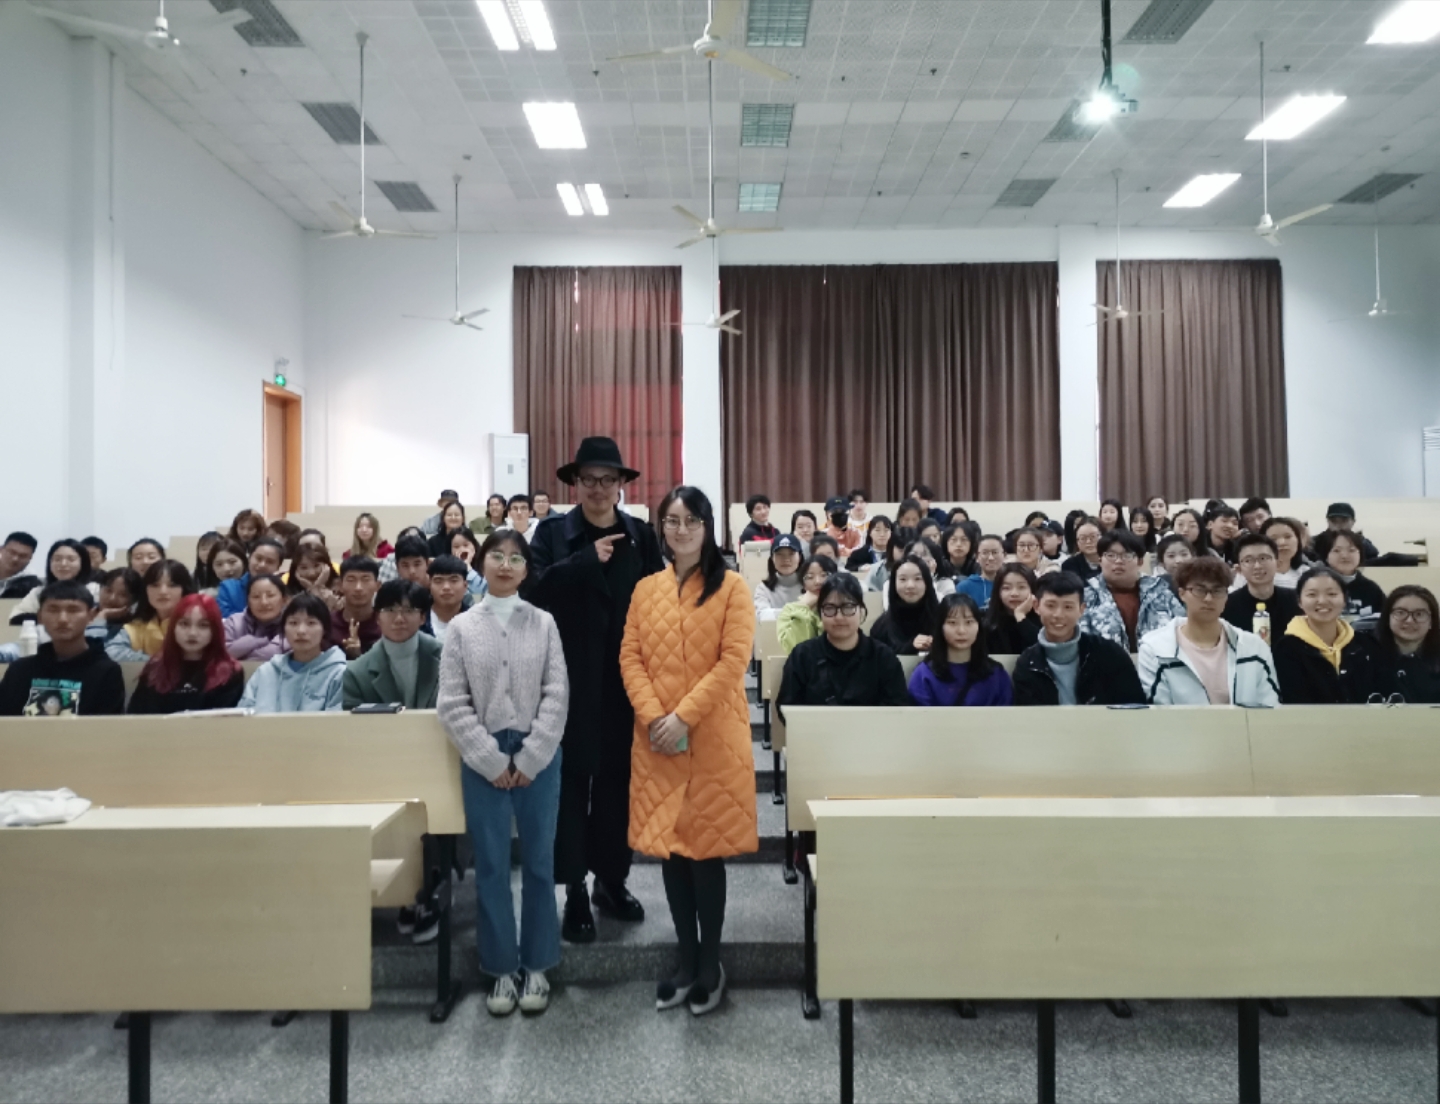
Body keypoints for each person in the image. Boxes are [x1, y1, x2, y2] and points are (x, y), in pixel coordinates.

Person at [620, 486, 756, 1016]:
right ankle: (685, 958)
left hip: (712, 735)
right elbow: (630, 657)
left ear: (707, 527)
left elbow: (732, 662)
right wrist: (656, 716)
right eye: (672, 521)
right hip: (658, 737)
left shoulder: (732, 587)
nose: (681, 530)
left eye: (691, 520)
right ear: (661, 528)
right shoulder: (645, 589)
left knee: (705, 850)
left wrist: (683, 717)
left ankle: (710, 963)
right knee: (672, 850)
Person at [524, 437, 665, 944]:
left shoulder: (640, 535)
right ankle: (576, 890)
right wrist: (583, 561)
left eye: (609, 480)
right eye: (589, 479)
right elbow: (531, 590)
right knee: (570, 789)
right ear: (575, 484)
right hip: (566, 680)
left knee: (617, 788)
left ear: (622, 485)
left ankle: (611, 880)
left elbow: (658, 602)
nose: (599, 488)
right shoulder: (551, 533)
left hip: (624, 681)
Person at [438, 528, 569, 1017]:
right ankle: (499, 969)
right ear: (481, 563)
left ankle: (537, 964)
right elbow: (451, 702)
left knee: (539, 863)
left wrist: (532, 756)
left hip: (539, 753)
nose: (506, 565)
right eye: (497, 555)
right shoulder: (462, 628)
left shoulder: (545, 623)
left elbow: (557, 693)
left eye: (516, 558)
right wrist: (490, 759)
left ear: (526, 568)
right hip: (483, 754)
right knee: (491, 866)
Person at [1137, 558, 1279, 707]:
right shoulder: (1155, 650)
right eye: (1199, 590)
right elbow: (1158, 713)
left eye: (1217, 591)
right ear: (1182, 594)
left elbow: (1270, 708)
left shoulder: (1254, 648)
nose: (1209, 598)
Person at [776, 574, 911, 715]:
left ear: (861, 610)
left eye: (848, 607)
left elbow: (897, 708)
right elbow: (787, 709)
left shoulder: (883, 657)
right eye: (830, 608)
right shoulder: (802, 655)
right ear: (820, 613)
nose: (839, 617)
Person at [1013, 572, 1145, 706]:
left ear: (1082, 609)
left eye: (1068, 607)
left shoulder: (1110, 653)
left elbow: (1134, 707)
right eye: (1051, 606)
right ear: (1036, 606)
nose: (1059, 615)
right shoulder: (1028, 664)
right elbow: (1029, 715)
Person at [0, 580, 125, 716]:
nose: (62, 619)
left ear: (91, 616)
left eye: (73, 610)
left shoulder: (106, 672)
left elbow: (106, 726)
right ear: (40, 616)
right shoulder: (19, 670)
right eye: (53, 610)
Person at [1272, 567, 1378, 704]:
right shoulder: (1286, 649)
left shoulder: (1365, 645)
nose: (1322, 601)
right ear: (1299, 601)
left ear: (1345, 599)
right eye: (1312, 595)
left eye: (1332, 594)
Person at [128, 594, 245, 714]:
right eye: (184, 624)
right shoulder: (154, 668)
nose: (192, 633)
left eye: (203, 625)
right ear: (173, 628)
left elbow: (226, 722)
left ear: (215, 631)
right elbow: (135, 717)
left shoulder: (230, 672)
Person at [238, 593, 347, 713]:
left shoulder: (338, 673)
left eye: (311, 623)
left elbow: (338, 721)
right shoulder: (266, 672)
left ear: (324, 629)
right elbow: (243, 715)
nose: (301, 631)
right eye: (293, 623)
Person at [344, 579, 443, 710]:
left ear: (422, 618)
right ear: (378, 618)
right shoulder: (356, 673)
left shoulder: (446, 658)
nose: (399, 619)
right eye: (390, 610)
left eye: (408, 610)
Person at [1078, 531, 1185, 652]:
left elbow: (1183, 630)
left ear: (1140, 561)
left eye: (1127, 555)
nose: (1118, 561)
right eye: (1111, 555)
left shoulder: (1160, 592)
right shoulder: (1087, 597)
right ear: (1100, 560)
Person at [908, 593, 1014, 706]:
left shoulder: (996, 674)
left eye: (969, 622)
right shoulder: (924, 674)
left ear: (979, 626)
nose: (961, 631)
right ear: (940, 627)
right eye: (952, 623)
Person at [106, 560, 196, 662]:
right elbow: (111, 652)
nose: (163, 591)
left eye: (172, 585)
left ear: (185, 589)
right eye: (155, 585)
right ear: (146, 590)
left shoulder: (198, 623)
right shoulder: (138, 625)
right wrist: (156, 663)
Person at [1223, 533, 1301, 643]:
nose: (1257, 566)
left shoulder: (1296, 600)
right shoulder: (1227, 604)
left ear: (1278, 563)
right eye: (1248, 560)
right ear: (1239, 568)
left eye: (1263, 558)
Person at [1372, 586, 1440, 704]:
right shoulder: (1366, 657)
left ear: (1431, 622)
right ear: (1387, 618)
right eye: (1400, 613)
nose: (1409, 620)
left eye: (1419, 614)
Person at [8, 539, 97, 624]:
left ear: (83, 563)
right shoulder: (39, 592)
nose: (63, 564)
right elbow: (15, 617)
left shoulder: (94, 590)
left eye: (71, 559)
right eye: (57, 559)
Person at [1314, 529, 1385, 632]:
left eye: (1351, 550)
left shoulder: (1371, 588)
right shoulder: (1315, 586)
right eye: (1337, 550)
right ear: (1326, 556)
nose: (1344, 555)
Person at [870, 556, 939, 655]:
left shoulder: (943, 619)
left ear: (927, 583)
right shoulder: (881, 627)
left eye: (917, 579)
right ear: (893, 584)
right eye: (903, 579)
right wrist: (910, 647)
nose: (910, 585)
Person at [224, 573, 290, 662]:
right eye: (256, 596)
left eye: (270, 595)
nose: (264, 602)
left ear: (284, 600)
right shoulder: (233, 622)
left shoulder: (294, 624)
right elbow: (221, 655)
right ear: (248, 601)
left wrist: (238, 654)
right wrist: (253, 641)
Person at [777, 554, 835, 653]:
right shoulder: (790, 610)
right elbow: (794, 647)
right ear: (803, 584)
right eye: (810, 577)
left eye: (824, 575)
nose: (818, 582)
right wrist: (803, 607)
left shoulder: (841, 607)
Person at [215, 538, 285, 618]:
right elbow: (226, 619)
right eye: (258, 558)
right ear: (249, 558)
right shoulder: (229, 588)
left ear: (278, 567)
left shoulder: (282, 592)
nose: (262, 565)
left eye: (270, 561)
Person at [985, 564, 1041, 654]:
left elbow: (1041, 649)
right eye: (1007, 588)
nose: (1014, 593)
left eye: (1021, 587)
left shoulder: (1043, 619)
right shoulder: (987, 622)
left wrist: (1020, 616)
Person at [332, 557, 382, 658]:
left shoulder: (385, 626)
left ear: (377, 585)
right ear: (340, 585)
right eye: (351, 580)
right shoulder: (327, 624)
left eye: (366, 580)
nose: (358, 588)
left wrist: (358, 656)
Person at [424, 554, 472, 644]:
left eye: (453, 580)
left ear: (465, 586)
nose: (446, 587)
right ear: (429, 585)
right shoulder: (416, 621)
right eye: (438, 581)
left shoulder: (477, 622)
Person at [752, 534, 804, 614]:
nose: (786, 559)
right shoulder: (763, 589)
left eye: (791, 554)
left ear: (800, 557)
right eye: (780, 554)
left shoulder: (809, 586)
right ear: (772, 558)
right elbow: (762, 616)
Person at [88, 567, 140, 643]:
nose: (112, 598)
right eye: (108, 590)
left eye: (122, 595)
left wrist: (102, 616)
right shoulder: (84, 612)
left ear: (133, 601)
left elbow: (94, 646)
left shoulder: (131, 629)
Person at [956, 534, 1007, 608]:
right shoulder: (965, 587)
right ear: (977, 557)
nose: (991, 558)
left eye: (995, 552)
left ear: (1004, 555)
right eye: (985, 553)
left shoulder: (1012, 584)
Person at [288, 545, 344, 611]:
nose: (312, 573)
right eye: (304, 568)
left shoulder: (342, 588)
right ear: (295, 570)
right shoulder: (288, 595)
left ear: (327, 566)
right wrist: (314, 589)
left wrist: (317, 586)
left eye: (316, 565)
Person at [1260, 517, 1307, 588]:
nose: (1281, 543)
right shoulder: (1250, 575)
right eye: (1273, 539)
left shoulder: (1307, 573)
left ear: (1298, 540)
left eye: (1288, 537)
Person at [863, 524, 905, 593]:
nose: (905, 555)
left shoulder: (921, 570)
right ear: (891, 548)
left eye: (910, 551)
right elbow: (868, 595)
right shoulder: (876, 570)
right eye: (901, 551)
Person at [1060, 518, 1104, 582]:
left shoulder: (1112, 561)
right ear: (1077, 541)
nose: (1088, 541)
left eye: (1093, 536)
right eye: (1083, 538)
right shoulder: (1069, 565)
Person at [0, 531, 40, 598]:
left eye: (23, 556)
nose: (15, 559)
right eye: (12, 552)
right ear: (1, 549)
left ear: (30, 558)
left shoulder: (34, 588)